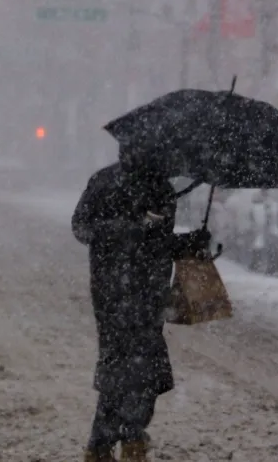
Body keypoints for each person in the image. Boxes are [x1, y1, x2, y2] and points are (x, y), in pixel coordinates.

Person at [72, 144, 211, 462]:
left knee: (128, 363)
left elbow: (157, 243)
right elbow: (82, 227)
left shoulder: (157, 188)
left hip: (137, 291)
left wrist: (191, 243)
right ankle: (128, 439)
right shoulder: (108, 183)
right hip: (121, 291)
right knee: (135, 366)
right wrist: (128, 229)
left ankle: (103, 443)